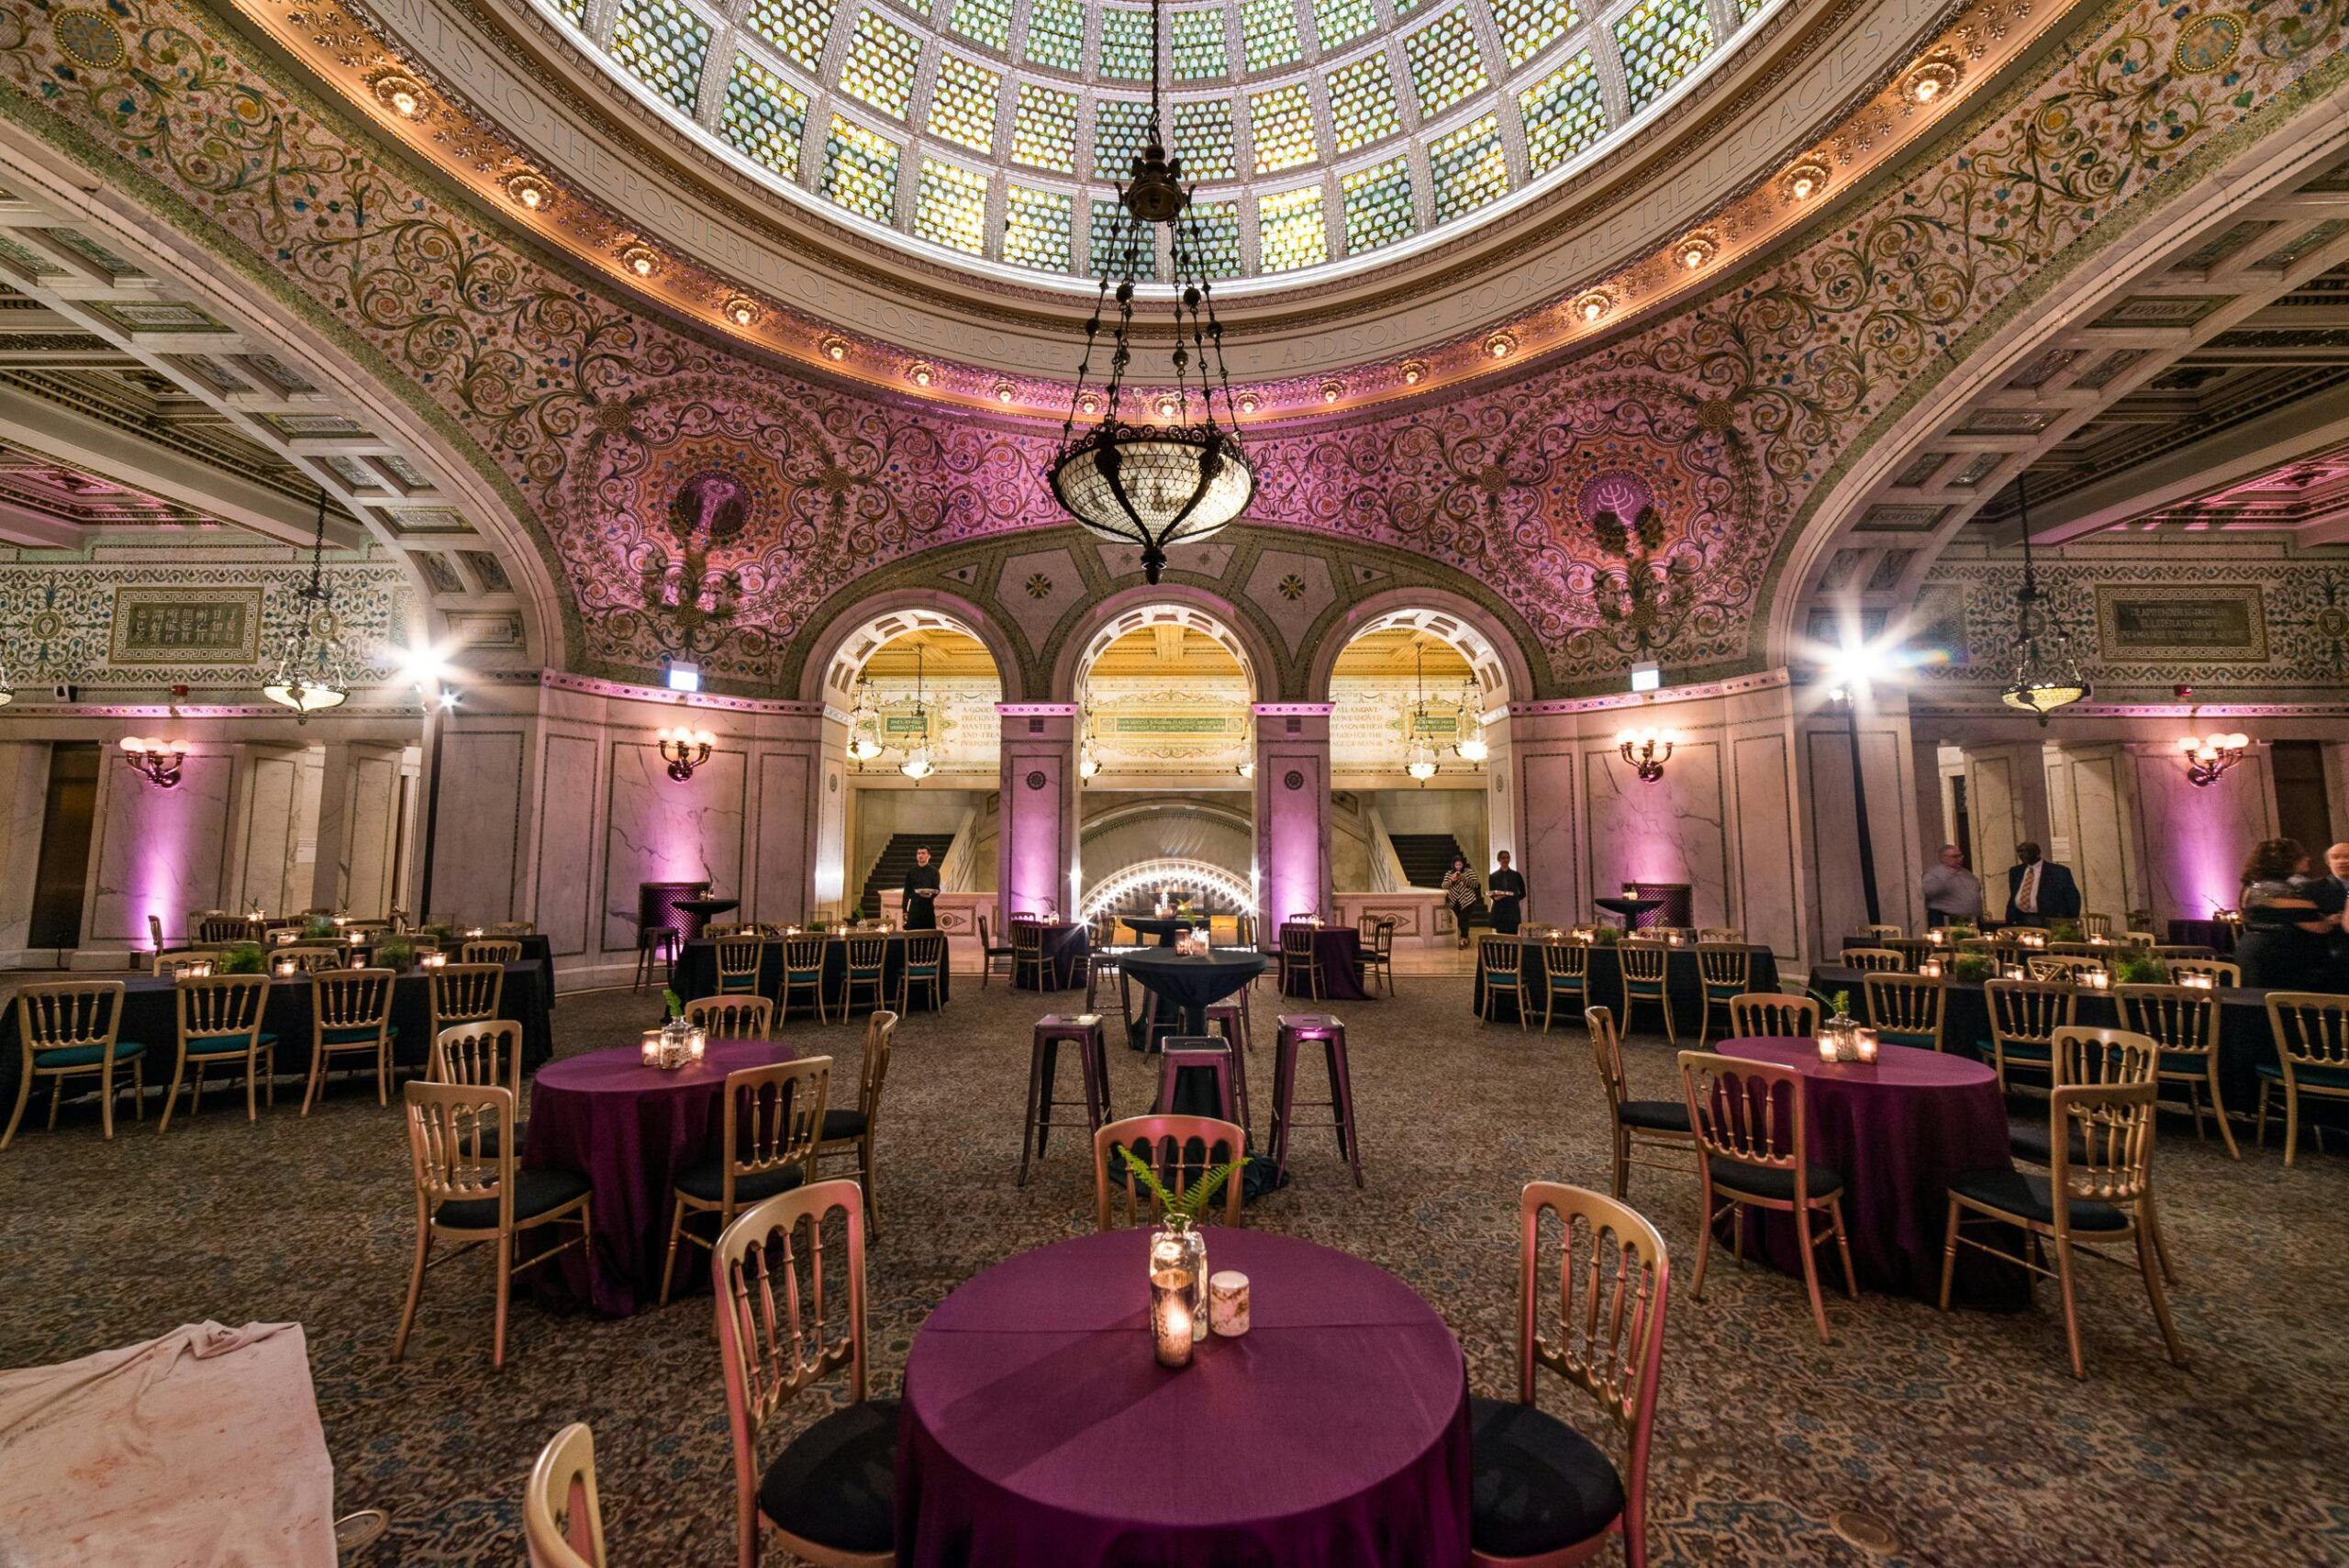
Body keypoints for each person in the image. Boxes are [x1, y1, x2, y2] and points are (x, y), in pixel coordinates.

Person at [2235, 837, 2336, 989]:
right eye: (2301, 856)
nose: (2307, 858)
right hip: (2278, 957)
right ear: (2286, 860)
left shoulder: (2251, 887)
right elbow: (2318, 927)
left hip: (2251, 951)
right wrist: (2331, 921)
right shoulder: (2280, 890)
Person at [2003, 841, 2079, 928]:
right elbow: (2014, 894)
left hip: (2048, 919)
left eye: (2026, 851)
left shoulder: (2057, 871)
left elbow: (2072, 897)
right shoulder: (2016, 871)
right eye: (2020, 852)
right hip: (2021, 918)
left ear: (2037, 853)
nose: (2022, 855)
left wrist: (2069, 921)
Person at [1921, 844, 1984, 928]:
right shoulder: (1934, 873)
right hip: (1946, 919)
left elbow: (1977, 887)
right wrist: (1946, 879)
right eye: (1955, 856)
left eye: (1961, 856)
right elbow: (1928, 891)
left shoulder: (1966, 873)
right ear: (1944, 858)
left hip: (1972, 920)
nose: (1960, 859)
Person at [1442, 855, 1482, 950]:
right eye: (1457, 865)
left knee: (1464, 919)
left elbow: (1476, 884)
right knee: (1460, 920)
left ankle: (1464, 939)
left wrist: (1464, 878)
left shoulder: (1469, 872)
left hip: (1468, 900)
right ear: (1454, 865)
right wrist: (1452, 880)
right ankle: (1465, 938)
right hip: (1455, 901)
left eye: (1460, 864)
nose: (1458, 867)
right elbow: (1444, 885)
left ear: (1463, 864)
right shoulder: (1449, 873)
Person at [900, 845, 941, 930]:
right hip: (914, 908)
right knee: (911, 935)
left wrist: (929, 895)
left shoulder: (934, 872)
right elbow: (907, 891)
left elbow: (936, 889)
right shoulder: (911, 871)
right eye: (918, 853)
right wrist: (904, 909)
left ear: (929, 856)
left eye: (923, 853)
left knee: (928, 935)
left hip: (927, 908)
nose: (920, 855)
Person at [1487, 851, 1526, 936]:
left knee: (1513, 936)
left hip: (1512, 910)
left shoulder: (1516, 875)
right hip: (1500, 909)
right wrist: (1496, 898)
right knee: (1501, 937)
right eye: (1503, 858)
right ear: (1499, 859)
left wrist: (1514, 899)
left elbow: (1523, 893)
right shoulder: (1493, 876)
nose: (1505, 859)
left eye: (1507, 857)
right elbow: (1492, 893)